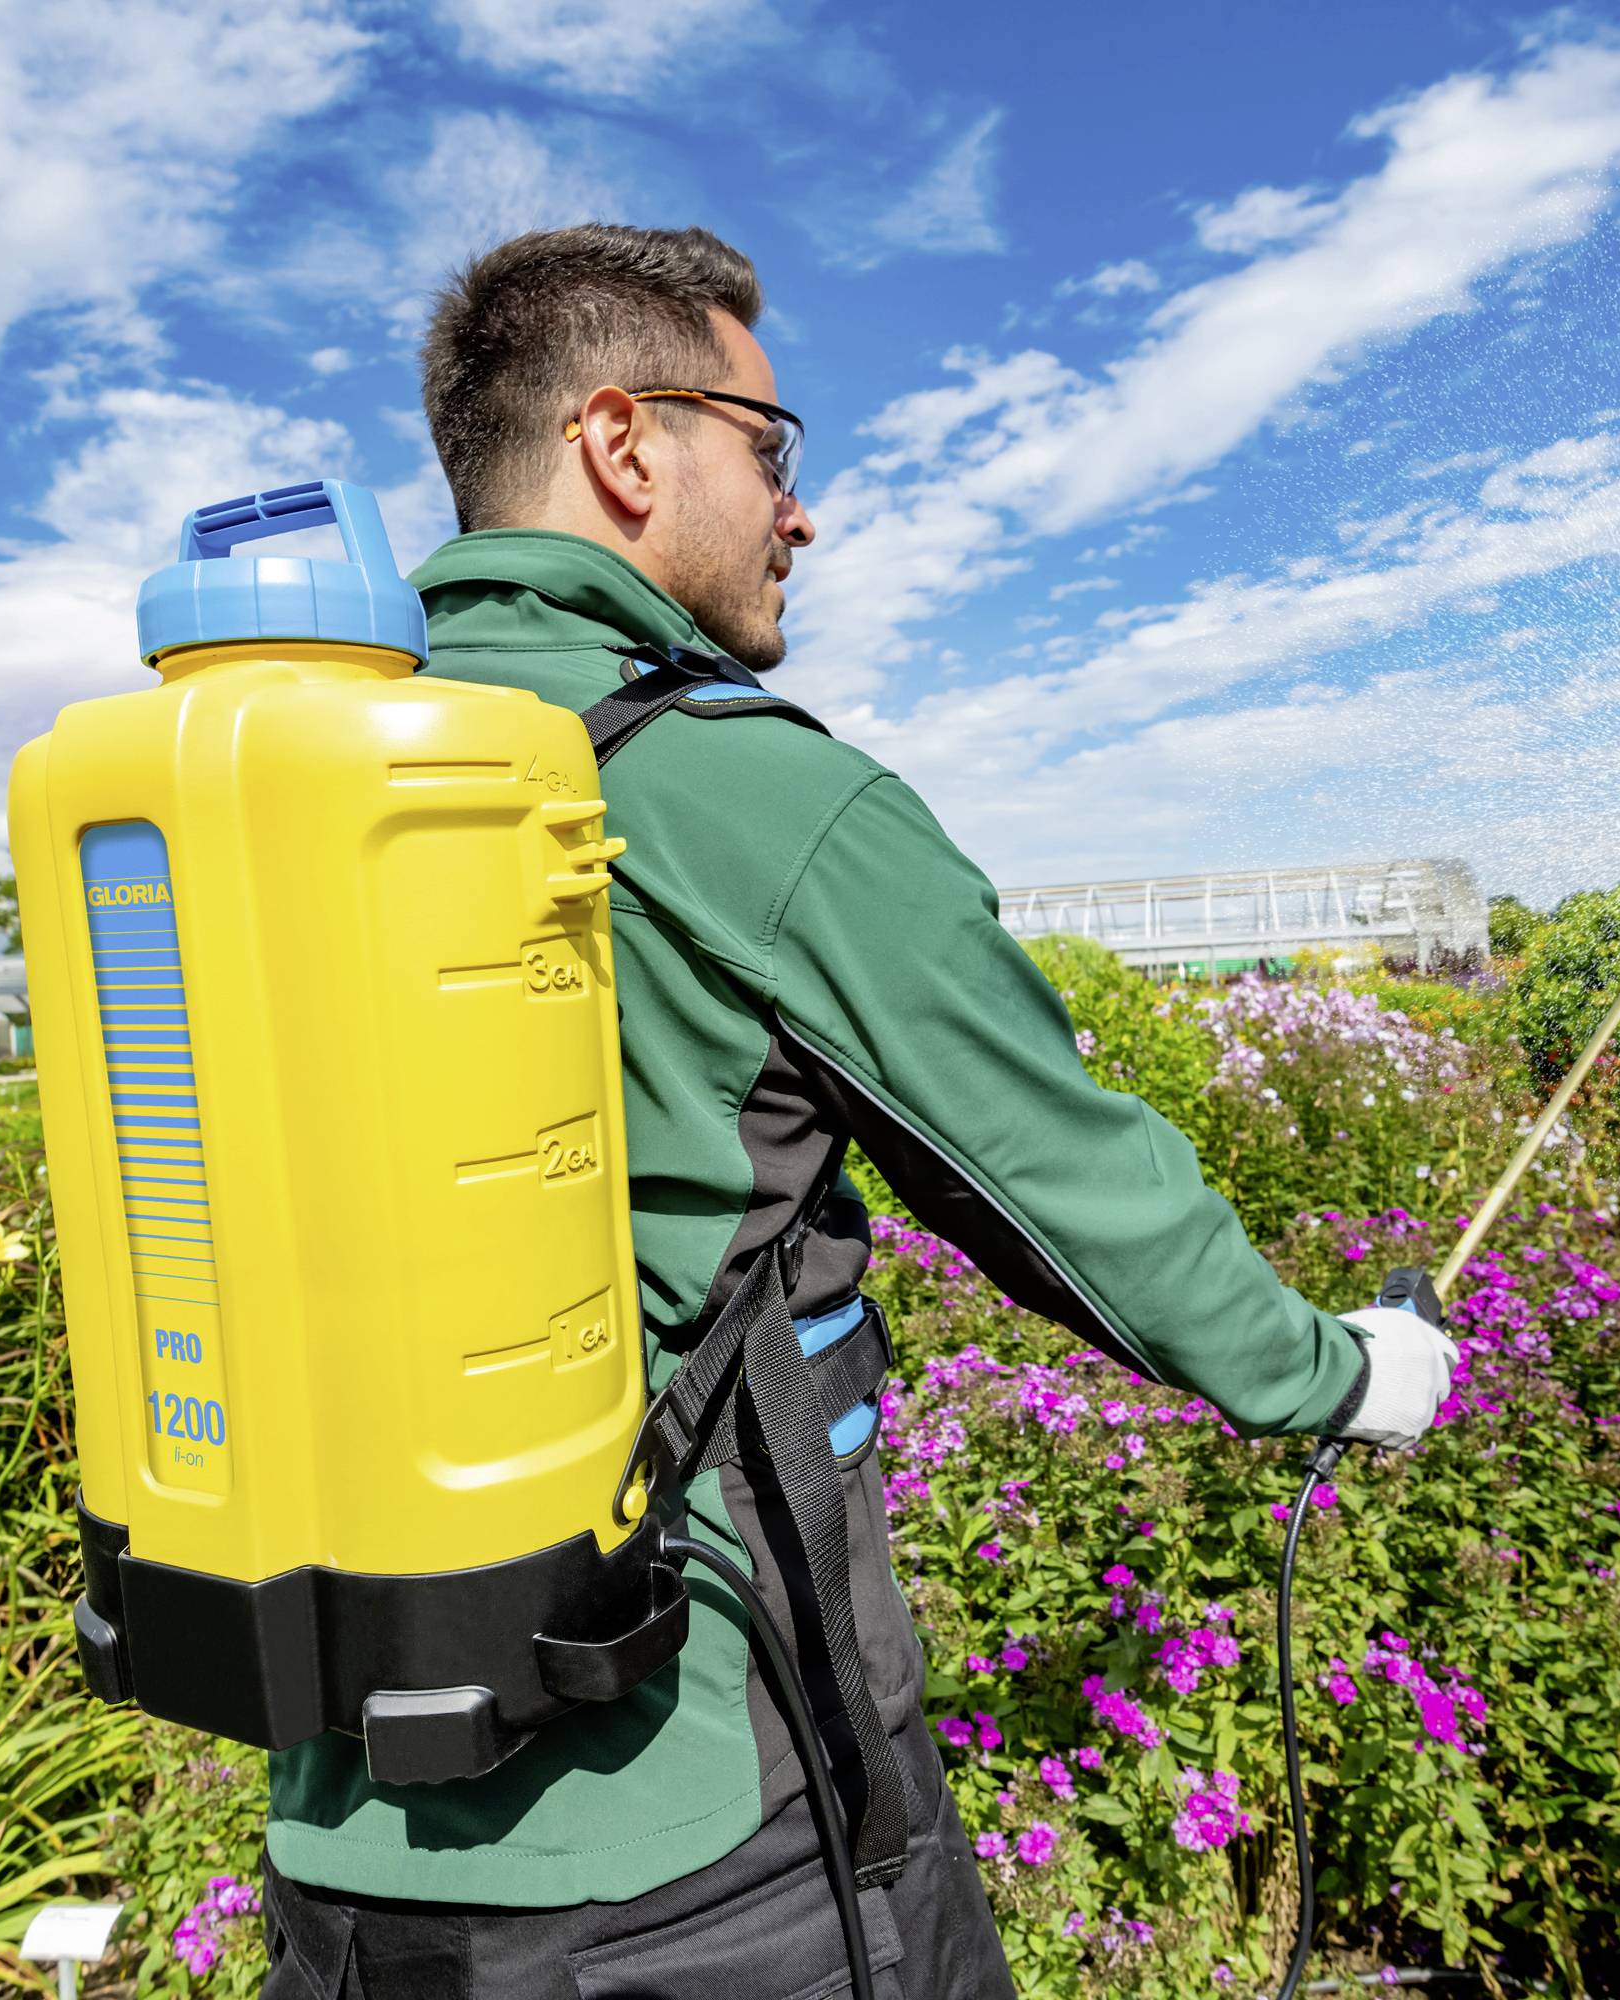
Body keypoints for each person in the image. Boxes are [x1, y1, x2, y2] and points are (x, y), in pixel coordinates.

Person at [256, 224, 1456, 2000]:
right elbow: (1064, 1181)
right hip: (702, 1835)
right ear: (623, 443)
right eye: (771, 446)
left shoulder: (289, 795)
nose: (799, 511)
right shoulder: (741, 789)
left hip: (336, 1834)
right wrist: (1343, 1375)